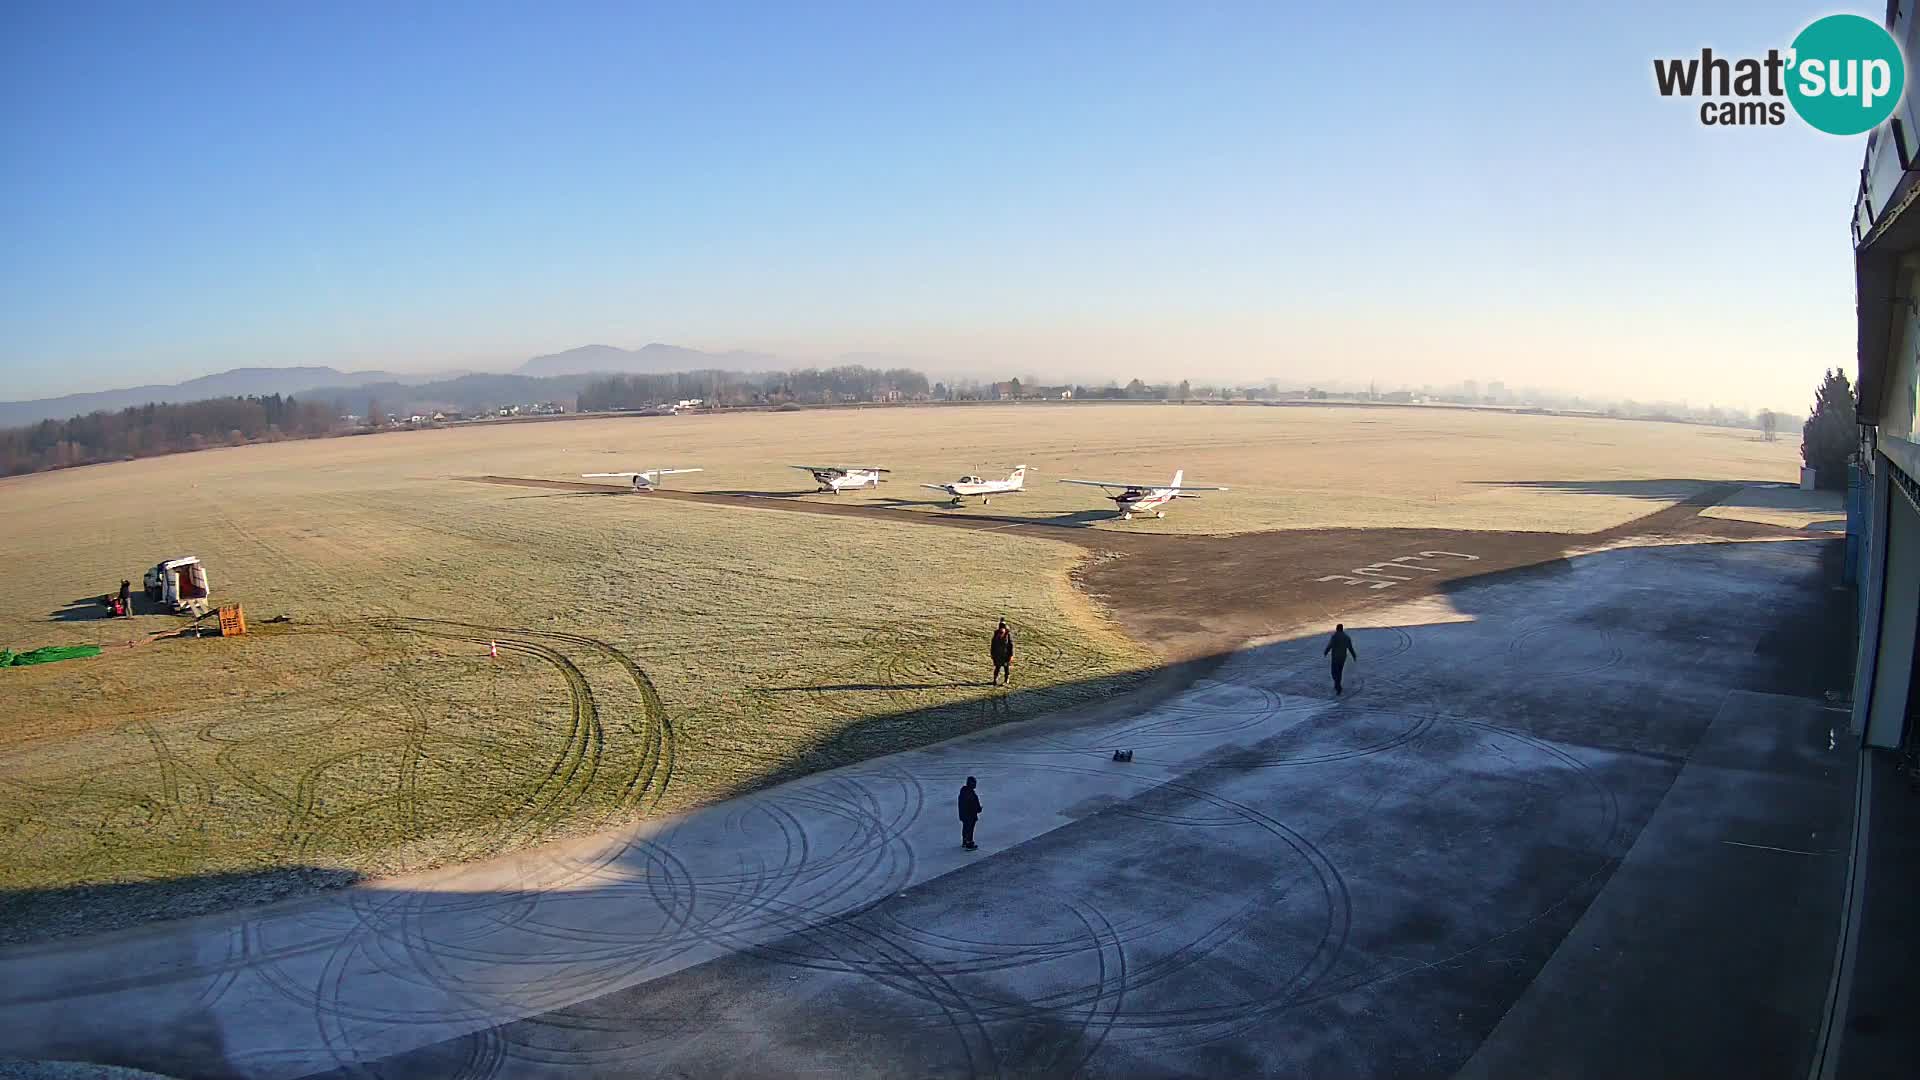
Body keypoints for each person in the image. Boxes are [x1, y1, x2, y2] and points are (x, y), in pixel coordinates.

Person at [1324, 623, 1358, 695]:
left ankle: (1338, 686)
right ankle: (1337, 685)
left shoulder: (1334, 636)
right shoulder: (1347, 637)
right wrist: (1354, 655)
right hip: (1342, 658)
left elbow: (1330, 645)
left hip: (1335, 657)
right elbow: (1350, 648)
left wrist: (1326, 651)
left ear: (1337, 629)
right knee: (1339, 672)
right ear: (1342, 629)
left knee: (1333, 672)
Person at [958, 776, 982, 850]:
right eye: (974, 783)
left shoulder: (964, 792)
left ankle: (965, 841)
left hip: (964, 814)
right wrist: (979, 809)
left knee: (965, 827)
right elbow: (974, 805)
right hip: (970, 815)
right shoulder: (970, 794)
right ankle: (969, 842)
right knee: (970, 828)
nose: (975, 785)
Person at [990, 618, 1015, 686]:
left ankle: (1006, 679)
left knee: (1006, 668)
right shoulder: (996, 635)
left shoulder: (1008, 635)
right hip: (998, 654)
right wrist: (992, 653)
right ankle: (995, 679)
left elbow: (1011, 645)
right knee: (997, 667)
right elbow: (993, 644)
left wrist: (1011, 655)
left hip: (1005, 655)